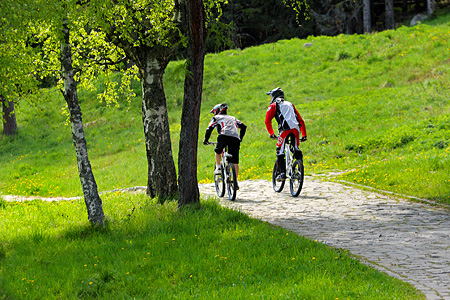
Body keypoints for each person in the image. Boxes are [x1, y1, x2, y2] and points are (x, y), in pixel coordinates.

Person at [265, 87, 307, 181]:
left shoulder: (273, 105)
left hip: (284, 130)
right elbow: (301, 120)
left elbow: (267, 121)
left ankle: (282, 173)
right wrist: (304, 135)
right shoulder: (290, 104)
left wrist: (271, 133)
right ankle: (299, 167)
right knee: (295, 148)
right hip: (296, 129)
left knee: (279, 151)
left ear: (274, 96)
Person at [203, 103, 247, 189]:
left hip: (224, 135)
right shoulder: (232, 118)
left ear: (217, 111)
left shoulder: (216, 118)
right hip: (235, 138)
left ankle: (218, 167)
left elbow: (209, 129)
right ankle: (235, 181)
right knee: (235, 161)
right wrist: (240, 138)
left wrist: (206, 140)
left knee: (218, 151)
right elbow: (243, 126)